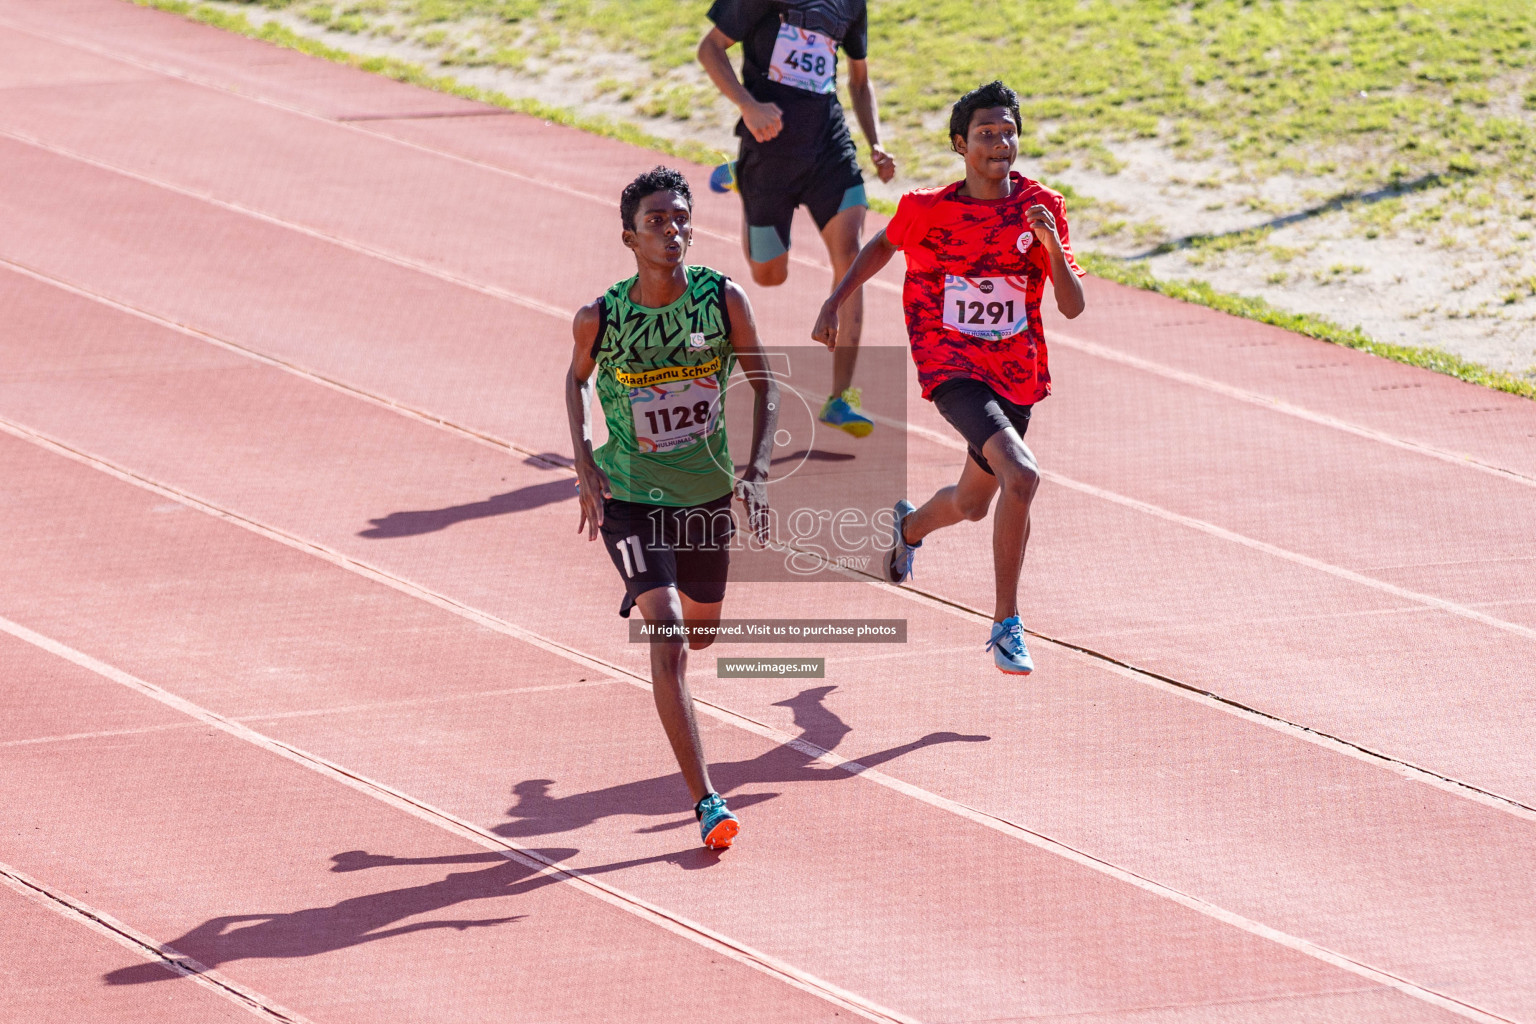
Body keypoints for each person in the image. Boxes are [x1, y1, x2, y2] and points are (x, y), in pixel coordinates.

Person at [811, 81, 1086, 675]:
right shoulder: (928, 210)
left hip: (1016, 373)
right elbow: (883, 245)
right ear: (961, 145)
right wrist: (835, 301)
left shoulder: (1042, 207)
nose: (1000, 142)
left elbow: (1072, 306)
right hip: (951, 365)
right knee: (1023, 475)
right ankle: (1007, 624)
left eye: (1009, 131)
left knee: (972, 502)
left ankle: (908, 528)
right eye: (986, 133)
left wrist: (1052, 249)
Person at [566, 167, 778, 847]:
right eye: (656, 221)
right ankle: (708, 801)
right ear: (629, 236)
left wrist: (758, 470)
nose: (672, 230)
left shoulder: (722, 301)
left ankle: (658, 591)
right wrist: (583, 458)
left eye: (680, 217)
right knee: (668, 637)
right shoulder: (603, 316)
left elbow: (765, 382)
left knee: (703, 632)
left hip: (705, 494)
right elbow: (574, 383)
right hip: (629, 496)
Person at [696, 0, 895, 437]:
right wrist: (748, 106)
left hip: (829, 149)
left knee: (851, 255)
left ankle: (840, 398)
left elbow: (859, 81)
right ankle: (741, 179)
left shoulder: (851, 5)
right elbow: (710, 48)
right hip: (769, 151)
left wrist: (876, 143)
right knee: (770, 276)